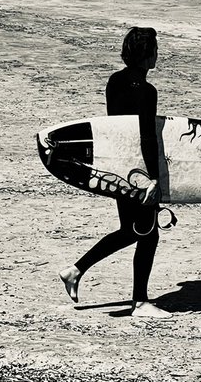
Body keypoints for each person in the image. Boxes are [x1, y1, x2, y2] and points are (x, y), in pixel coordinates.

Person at [58, 26, 171, 321]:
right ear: (146, 55)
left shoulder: (115, 81)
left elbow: (116, 127)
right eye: (155, 50)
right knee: (145, 233)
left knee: (134, 230)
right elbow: (146, 136)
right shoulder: (146, 91)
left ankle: (76, 271)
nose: (157, 55)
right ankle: (139, 303)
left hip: (117, 165)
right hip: (138, 171)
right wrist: (154, 178)